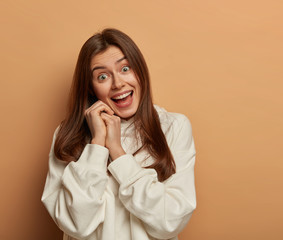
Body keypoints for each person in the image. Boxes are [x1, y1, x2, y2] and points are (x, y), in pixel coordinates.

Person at [41, 28, 196, 240]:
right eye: (102, 76)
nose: (118, 83)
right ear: (90, 88)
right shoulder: (68, 136)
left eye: (125, 68)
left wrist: (117, 152)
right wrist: (97, 145)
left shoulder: (173, 127)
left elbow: (170, 221)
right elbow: (75, 224)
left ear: (140, 72)